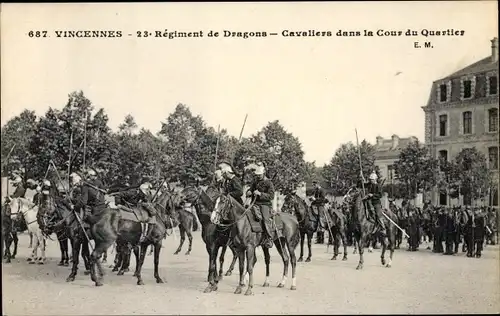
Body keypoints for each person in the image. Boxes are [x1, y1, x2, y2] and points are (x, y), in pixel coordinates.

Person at [246, 164, 275, 248]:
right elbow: (250, 189)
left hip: (265, 204)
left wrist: (260, 194)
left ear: (263, 174)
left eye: (259, 175)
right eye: (257, 175)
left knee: (265, 219)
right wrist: (248, 192)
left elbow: (271, 196)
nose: (258, 176)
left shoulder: (269, 183)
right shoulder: (255, 181)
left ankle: (269, 238)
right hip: (254, 203)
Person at [364, 172, 387, 237]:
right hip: (369, 202)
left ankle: (383, 228)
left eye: (371, 180)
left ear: (375, 179)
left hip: (376, 203)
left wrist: (372, 195)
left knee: (378, 215)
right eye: (370, 180)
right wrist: (361, 178)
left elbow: (380, 195)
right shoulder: (370, 185)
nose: (370, 181)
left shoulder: (378, 186)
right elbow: (363, 184)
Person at [309, 180, 328, 244]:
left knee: (320, 215)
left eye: (314, 185)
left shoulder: (323, 190)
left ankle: (322, 227)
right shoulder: (315, 191)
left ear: (317, 184)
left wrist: (315, 199)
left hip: (321, 205)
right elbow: (314, 198)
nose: (313, 186)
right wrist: (311, 199)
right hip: (315, 205)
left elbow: (323, 199)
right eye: (313, 185)